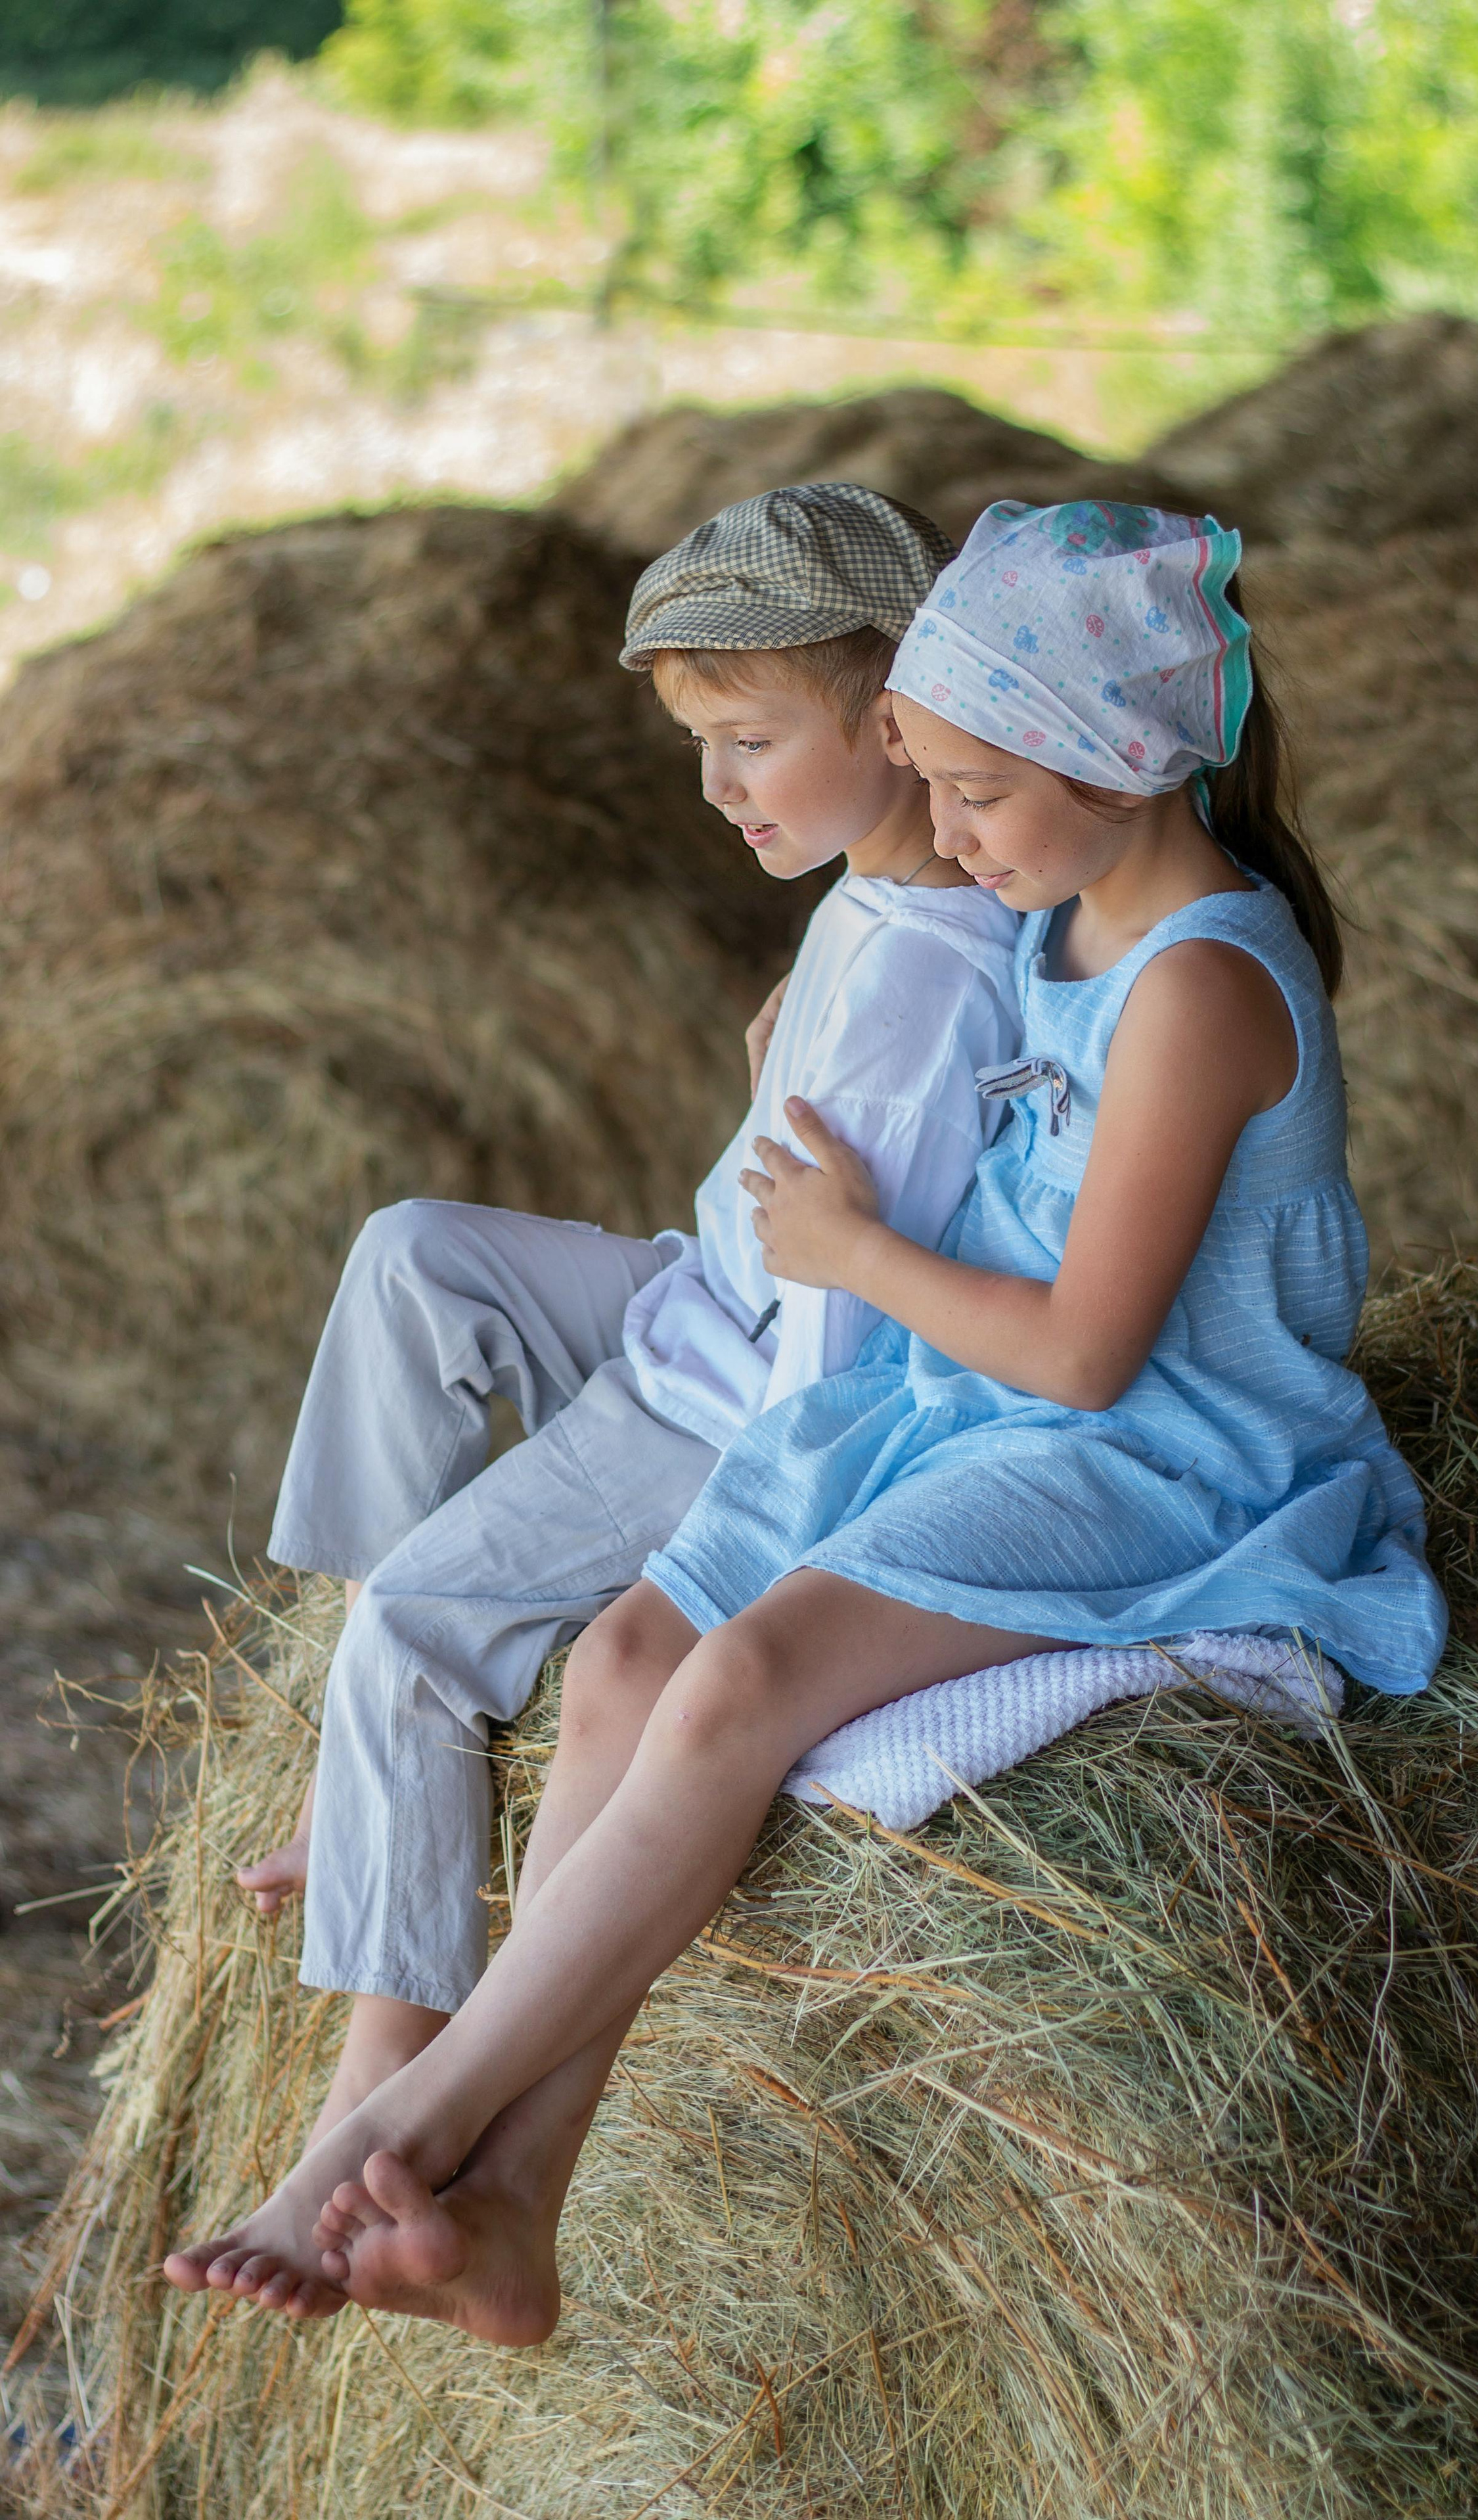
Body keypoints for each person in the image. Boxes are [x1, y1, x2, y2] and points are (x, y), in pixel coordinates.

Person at [165, 499, 1446, 2341]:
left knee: (739, 1686)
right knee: (616, 1668)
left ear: (1120, 759)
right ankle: (519, 2205)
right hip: (966, 1404)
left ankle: (408, 2118)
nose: (955, 832)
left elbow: (1092, 1357)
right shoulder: (1065, 916)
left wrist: (836, 1240)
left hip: (1159, 1454)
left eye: (979, 793)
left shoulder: (1203, 987)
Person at [230, 482, 1019, 2147]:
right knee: (413, 1253)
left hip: (728, 1400)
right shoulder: (870, 893)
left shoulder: (919, 975)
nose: (715, 788)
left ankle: (375, 2080)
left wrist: (765, 1556)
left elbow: (839, 1339)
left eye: (745, 739)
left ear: (895, 716)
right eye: (696, 745)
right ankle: (376, 1780)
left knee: (425, 1622)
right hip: (693, 1295)